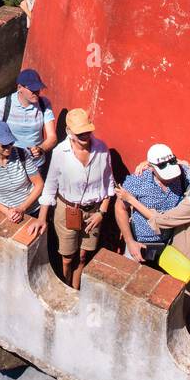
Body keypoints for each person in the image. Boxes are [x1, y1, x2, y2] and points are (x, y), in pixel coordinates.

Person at [33, 108, 114, 290]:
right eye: (80, 132)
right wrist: (41, 218)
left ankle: (75, 289)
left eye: (87, 131)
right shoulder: (61, 152)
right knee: (67, 257)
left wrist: (102, 212)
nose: (85, 135)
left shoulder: (101, 149)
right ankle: (65, 287)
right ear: (70, 132)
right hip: (68, 210)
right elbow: (50, 186)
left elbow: (109, 183)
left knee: (84, 256)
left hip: (94, 212)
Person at [114, 143, 190, 266]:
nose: (170, 178)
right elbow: (120, 208)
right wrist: (129, 241)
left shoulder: (184, 174)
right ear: (151, 168)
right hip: (143, 244)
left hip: (171, 244)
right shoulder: (138, 180)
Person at [0, 67, 56, 163]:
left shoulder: (44, 104)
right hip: (11, 164)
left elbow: (52, 137)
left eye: (38, 89)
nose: (36, 93)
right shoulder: (4, 104)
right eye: (32, 89)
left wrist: (40, 149)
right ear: (19, 88)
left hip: (35, 164)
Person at [0, 122, 44, 223]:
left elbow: (39, 184)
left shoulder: (22, 154)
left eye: (11, 143)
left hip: (33, 210)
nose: (9, 148)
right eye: (4, 145)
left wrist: (22, 208)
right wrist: (7, 211)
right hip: (8, 215)